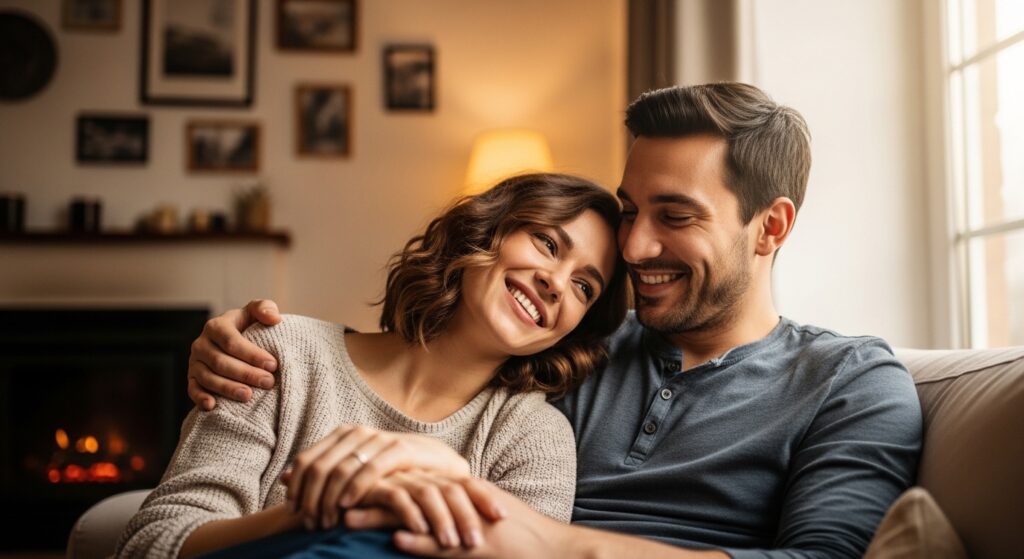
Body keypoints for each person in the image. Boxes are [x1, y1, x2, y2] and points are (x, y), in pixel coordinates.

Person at [188, 83, 922, 559]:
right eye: (631, 212)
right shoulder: (573, 346)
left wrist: (548, 541)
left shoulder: (851, 381)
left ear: (771, 227)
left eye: (674, 216)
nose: (634, 247)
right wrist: (238, 345)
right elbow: (423, 376)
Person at [115, 173, 629, 558]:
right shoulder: (281, 352)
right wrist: (313, 518)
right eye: (546, 242)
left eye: (585, 286)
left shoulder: (534, 436)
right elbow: (149, 544)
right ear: (486, 232)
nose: (557, 282)